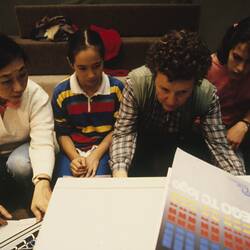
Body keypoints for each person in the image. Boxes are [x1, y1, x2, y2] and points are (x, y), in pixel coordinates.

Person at [110, 30, 245, 178]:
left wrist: (239, 182)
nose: (171, 100)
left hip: (181, 143)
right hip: (141, 143)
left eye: (182, 92)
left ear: (196, 84)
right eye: (164, 89)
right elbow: (124, 132)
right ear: (154, 75)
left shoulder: (207, 94)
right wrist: (120, 173)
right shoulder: (136, 84)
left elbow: (219, 146)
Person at [52, 29, 124, 178]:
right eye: (82, 68)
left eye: (96, 66)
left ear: (104, 60)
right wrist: (75, 158)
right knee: (66, 184)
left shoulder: (116, 89)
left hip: (104, 149)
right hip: (72, 150)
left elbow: (119, 128)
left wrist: (96, 155)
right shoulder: (61, 92)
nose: (91, 75)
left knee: (98, 182)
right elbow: (62, 132)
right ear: (71, 63)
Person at [0, 33, 55, 225]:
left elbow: (42, 141)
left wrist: (42, 181)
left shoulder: (35, 94)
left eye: (22, 74)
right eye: (6, 81)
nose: (18, 87)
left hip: (25, 149)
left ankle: (31, 205)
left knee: (19, 164)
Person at [207, 16, 250, 173]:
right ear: (228, 48)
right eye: (237, 58)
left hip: (234, 134)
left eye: (249, 62)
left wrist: (244, 123)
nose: (240, 68)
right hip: (200, 133)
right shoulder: (208, 67)